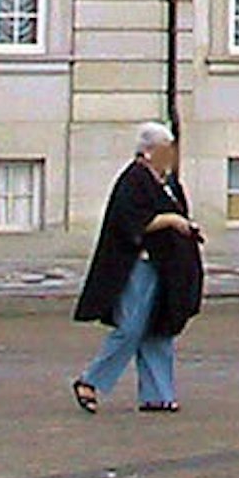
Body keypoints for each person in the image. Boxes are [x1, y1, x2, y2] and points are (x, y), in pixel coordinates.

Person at [72, 122, 202, 414]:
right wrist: (171, 221)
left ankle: (158, 394)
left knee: (159, 326)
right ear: (147, 151)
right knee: (131, 327)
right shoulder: (132, 180)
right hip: (137, 265)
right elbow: (132, 223)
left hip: (165, 266)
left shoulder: (167, 182)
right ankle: (89, 381)